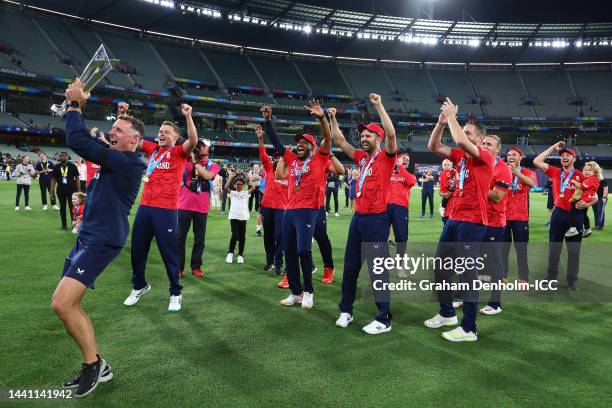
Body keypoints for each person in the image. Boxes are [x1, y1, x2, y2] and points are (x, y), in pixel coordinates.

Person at [51, 79, 145, 397]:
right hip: (89, 237)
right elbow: (93, 143)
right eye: (113, 128)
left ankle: (93, 365)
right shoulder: (115, 155)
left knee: (62, 304)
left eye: (119, 130)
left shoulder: (130, 162)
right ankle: (97, 366)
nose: (111, 132)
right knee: (69, 304)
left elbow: (77, 140)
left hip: (103, 239)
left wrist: (76, 105)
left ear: (134, 139)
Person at [424, 98, 493, 342]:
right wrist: (442, 122)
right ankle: (447, 313)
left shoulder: (483, 155)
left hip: (473, 221)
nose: (463, 135)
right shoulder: (461, 158)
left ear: (480, 138)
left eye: (469, 132)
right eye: (463, 130)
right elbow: (433, 145)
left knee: (466, 274)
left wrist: (453, 116)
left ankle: (469, 329)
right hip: (454, 217)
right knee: (441, 268)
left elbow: (461, 140)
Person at [330, 92, 398, 334]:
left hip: (377, 219)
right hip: (358, 218)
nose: (363, 138)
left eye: (368, 135)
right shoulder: (362, 159)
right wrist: (332, 118)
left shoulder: (387, 157)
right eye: (362, 135)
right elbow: (339, 141)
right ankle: (346, 311)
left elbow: (391, 134)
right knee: (350, 267)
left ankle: (383, 318)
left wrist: (379, 106)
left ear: (377, 138)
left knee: (377, 269)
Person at [123, 103, 198, 312]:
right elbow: (132, 138)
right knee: (137, 250)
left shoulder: (178, 153)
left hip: (166, 210)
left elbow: (193, 140)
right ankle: (139, 286)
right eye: (159, 132)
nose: (161, 134)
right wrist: (123, 115)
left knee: (168, 253)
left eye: (166, 132)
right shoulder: (152, 150)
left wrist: (188, 116)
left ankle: (175, 292)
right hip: (145, 208)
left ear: (175, 137)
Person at [263, 101, 332, 310]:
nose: (300, 144)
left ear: (312, 146)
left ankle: (308, 291)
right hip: (289, 210)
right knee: (289, 251)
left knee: (303, 250)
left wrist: (322, 118)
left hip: (308, 210)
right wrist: (268, 121)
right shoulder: (292, 160)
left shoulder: (320, 158)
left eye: (304, 142)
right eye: (298, 142)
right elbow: (276, 142)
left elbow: (328, 138)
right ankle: (296, 292)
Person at [533, 143, 598, 290]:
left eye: (568, 155)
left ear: (574, 159)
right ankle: (551, 278)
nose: (564, 157)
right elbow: (536, 161)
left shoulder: (582, 176)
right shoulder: (556, 172)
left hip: (575, 216)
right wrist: (552, 147)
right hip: (558, 213)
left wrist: (588, 204)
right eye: (562, 155)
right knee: (554, 248)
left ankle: (572, 280)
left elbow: (595, 197)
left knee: (574, 250)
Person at [477, 135, 512, 316]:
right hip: (476, 219)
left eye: (489, 144)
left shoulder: (504, 169)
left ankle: (495, 302)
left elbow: (498, 197)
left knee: (493, 264)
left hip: (493, 223)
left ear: (498, 149)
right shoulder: (479, 163)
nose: (484, 146)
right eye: (482, 143)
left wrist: (479, 185)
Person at [176, 138, 219, 278]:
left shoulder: (213, 165)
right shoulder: (186, 160)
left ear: (209, 149)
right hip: (184, 205)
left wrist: (194, 162)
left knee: (199, 240)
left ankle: (196, 267)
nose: (200, 148)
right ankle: (178, 267)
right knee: (179, 239)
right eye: (198, 146)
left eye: (203, 146)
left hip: (201, 207)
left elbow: (207, 176)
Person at [255, 124, 288, 275]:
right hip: (267, 206)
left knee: (280, 236)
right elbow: (262, 154)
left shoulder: (290, 173)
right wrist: (261, 138)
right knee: (268, 236)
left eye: (280, 157)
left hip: (282, 208)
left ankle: (278, 262)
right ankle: (270, 261)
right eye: (276, 158)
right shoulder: (269, 169)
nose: (277, 160)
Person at [501, 147, 536, 286]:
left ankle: (523, 278)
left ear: (521, 157)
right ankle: (502, 276)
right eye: (509, 155)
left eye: (514, 155)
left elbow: (532, 183)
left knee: (521, 249)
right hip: (503, 216)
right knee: (503, 249)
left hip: (520, 217)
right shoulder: (502, 171)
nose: (511, 157)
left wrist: (516, 173)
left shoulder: (528, 172)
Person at [387, 153, 416, 260]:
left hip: (401, 208)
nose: (406, 160)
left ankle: (399, 264)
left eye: (408, 159)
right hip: (385, 207)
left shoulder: (410, 176)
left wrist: (400, 166)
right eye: (403, 158)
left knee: (401, 237)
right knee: (381, 236)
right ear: (397, 159)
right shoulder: (389, 173)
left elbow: (411, 181)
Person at [225, 170, 255, 264]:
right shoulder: (233, 193)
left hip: (243, 217)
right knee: (235, 235)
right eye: (238, 184)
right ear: (235, 185)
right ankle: (230, 253)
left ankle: (240, 255)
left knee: (242, 237)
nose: (239, 186)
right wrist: (230, 177)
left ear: (243, 185)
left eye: (241, 184)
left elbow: (253, 187)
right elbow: (226, 187)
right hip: (234, 217)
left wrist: (250, 178)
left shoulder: (245, 193)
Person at [566, 161, 600, 238]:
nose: (586, 171)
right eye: (585, 170)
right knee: (584, 214)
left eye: (589, 170)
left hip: (584, 199)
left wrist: (574, 181)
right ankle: (587, 228)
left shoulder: (591, 179)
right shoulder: (591, 178)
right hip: (586, 199)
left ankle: (573, 229)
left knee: (572, 210)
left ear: (594, 172)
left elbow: (582, 186)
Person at [50, 152, 81, 230]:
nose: (62, 157)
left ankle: (74, 224)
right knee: (62, 208)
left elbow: (77, 178)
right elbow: (53, 179)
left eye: (64, 156)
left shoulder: (72, 166)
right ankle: (64, 225)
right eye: (60, 156)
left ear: (67, 157)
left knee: (72, 208)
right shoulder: (56, 167)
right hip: (60, 190)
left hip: (72, 190)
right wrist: (51, 191)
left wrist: (79, 190)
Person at [438, 159, 457, 224]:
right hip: (445, 192)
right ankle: (443, 207)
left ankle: (442, 207)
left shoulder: (454, 172)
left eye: (448, 165)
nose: (446, 166)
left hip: (454, 205)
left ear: (451, 166)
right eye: (444, 165)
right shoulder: (442, 174)